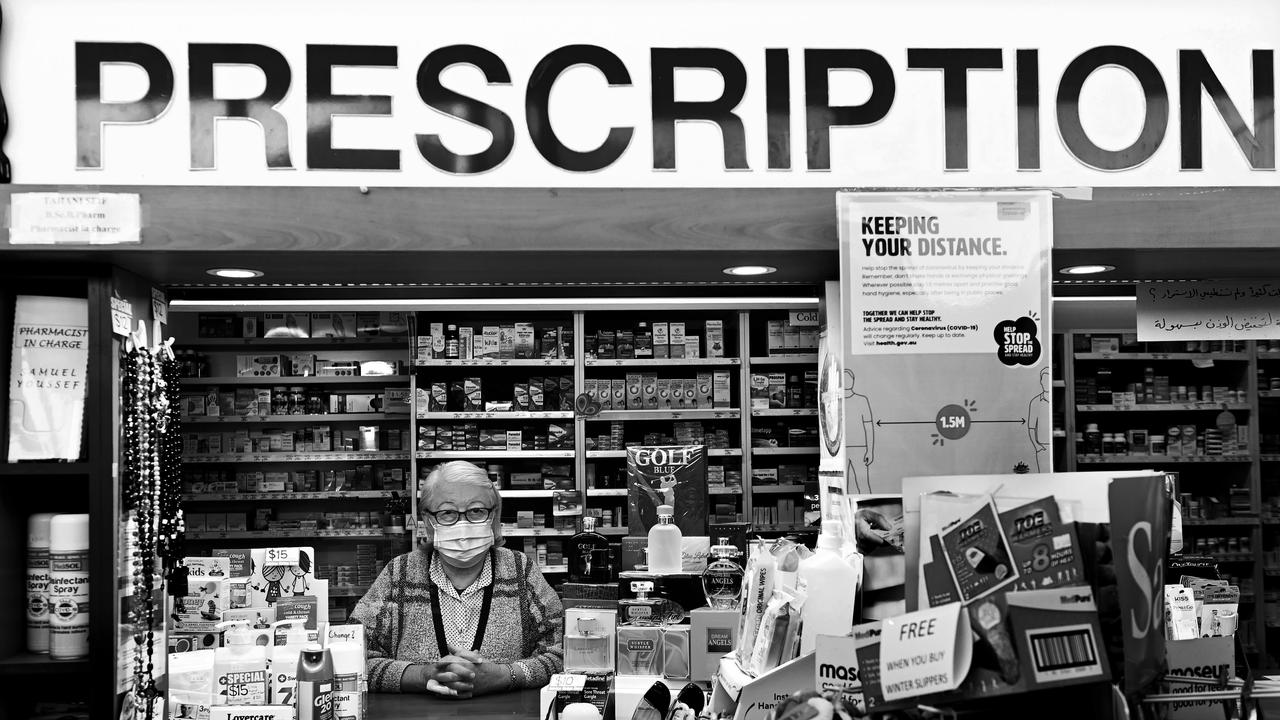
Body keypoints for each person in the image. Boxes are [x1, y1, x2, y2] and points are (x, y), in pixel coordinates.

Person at [350, 461, 564, 697]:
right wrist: (422, 676)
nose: (463, 524)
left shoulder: (521, 571)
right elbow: (351, 655)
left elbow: (563, 652)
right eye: (448, 513)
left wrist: (507, 676)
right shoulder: (398, 574)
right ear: (428, 521)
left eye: (476, 511)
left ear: (493, 516)